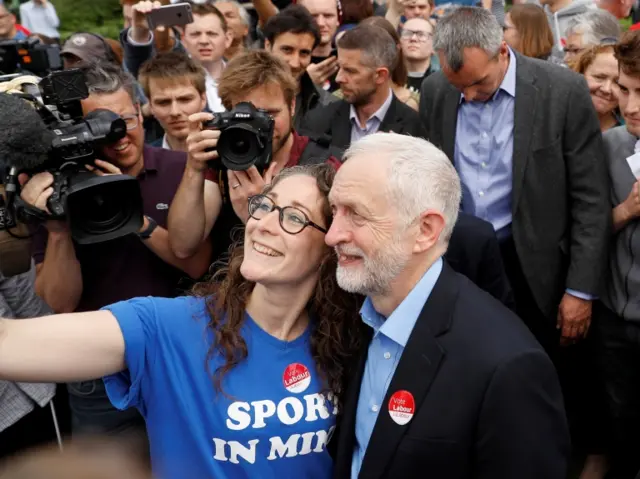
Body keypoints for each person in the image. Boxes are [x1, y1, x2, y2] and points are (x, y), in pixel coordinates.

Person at [0, 164, 363, 479]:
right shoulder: (169, 328)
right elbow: (7, 345)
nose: (264, 225)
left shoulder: (348, 340)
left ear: (330, 246)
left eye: (294, 217)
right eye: (264, 206)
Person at [327, 132, 569, 478]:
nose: (332, 235)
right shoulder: (358, 313)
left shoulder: (508, 367)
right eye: (334, 211)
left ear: (425, 230)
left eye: (357, 215)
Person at [22, 61, 212, 438]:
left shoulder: (181, 169)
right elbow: (59, 302)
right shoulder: (55, 191)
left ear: (141, 113)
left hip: (181, 360)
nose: (119, 135)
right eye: (100, 125)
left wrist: (131, 215)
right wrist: (58, 229)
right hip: (98, 376)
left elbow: (196, 263)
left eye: (125, 120)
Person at [420, 6, 610, 352]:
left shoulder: (562, 92)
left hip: (537, 271)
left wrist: (579, 290)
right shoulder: (436, 91)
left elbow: (590, 198)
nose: (468, 96)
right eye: (457, 86)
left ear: (503, 51)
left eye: (478, 83)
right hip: (458, 262)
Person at [167, 50, 342, 264]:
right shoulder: (222, 156)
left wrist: (260, 212)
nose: (261, 128)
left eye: (269, 115)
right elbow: (183, 246)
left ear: (292, 107)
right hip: (226, 291)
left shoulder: (325, 164)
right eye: (249, 117)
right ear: (228, 113)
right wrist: (193, 169)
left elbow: (328, 258)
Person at [597, 29, 640, 479]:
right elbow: (588, 230)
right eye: (624, 91)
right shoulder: (610, 145)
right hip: (614, 315)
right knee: (621, 418)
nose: (629, 107)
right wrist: (625, 210)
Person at [301, 24, 427, 154]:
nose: (339, 78)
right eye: (340, 68)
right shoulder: (318, 119)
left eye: (350, 71)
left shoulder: (412, 129)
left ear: (380, 75)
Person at [125, 1, 231, 112]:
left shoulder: (244, 76)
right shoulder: (167, 74)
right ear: (183, 39)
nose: (203, 41)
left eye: (211, 33)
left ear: (228, 38)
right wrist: (141, 31)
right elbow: (140, 65)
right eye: (195, 34)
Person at [262, 5, 338, 130]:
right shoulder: (243, 96)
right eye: (287, 50)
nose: (295, 63)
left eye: (304, 53)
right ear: (267, 46)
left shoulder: (329, 106)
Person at [138, 51, 208, 151]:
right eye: (163, 102)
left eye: (184, 100)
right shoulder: (142, 161)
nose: (175, 112)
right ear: (150, 105)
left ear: (203, 99)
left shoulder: (229, 156)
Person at [570, 44, 622, 132]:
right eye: (600, 77)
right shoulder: (555, 122)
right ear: (580, 74)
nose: (607, 89)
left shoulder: (632, 136)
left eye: (617, 83)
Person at [400, 18, 436, 93]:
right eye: (407, 33)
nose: (413, 38)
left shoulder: (442, 83)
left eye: (421, 35)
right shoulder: (389, 81)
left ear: (434, 45)